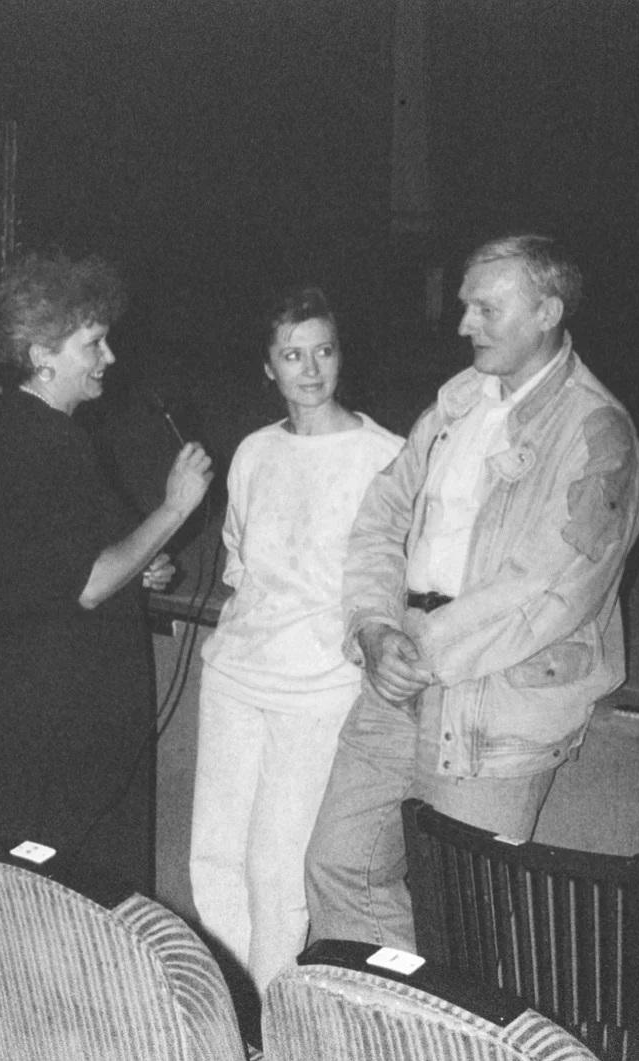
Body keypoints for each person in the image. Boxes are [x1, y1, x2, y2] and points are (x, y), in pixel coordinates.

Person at [304, 234, 639, 949]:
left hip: (492, 708)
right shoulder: (457, 405)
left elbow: (546, 590)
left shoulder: (597, 433)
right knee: (340, 867)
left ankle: (445, 1009)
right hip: (397, 675)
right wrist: (371, 627)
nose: (464, 324)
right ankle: (387, 1011)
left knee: (463, 922)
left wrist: (418, 652)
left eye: (487, 309)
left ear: (547, 311)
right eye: (465, 306)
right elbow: (381, 517)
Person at [0, 252, 213, 894]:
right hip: (63, 709)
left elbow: (74, 560)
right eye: (93, 343)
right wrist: (174, 509)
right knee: (78, 900)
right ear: (41, 356)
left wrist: (138, 563)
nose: (109, 357)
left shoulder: (30, 429)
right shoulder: (46, 443)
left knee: (52, 892)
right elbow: (88, 583)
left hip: (48, 694)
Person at [189, 287, 404, 993]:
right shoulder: (255, 451)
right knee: (215, 857)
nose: (310, 369)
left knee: (276, 869)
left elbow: (395, 580)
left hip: (318, 690)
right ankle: (229, 1008)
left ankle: (269, 1016)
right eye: (292, 354)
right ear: (268, 366)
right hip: (235, 676)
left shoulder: (386, 456)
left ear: (341, 355)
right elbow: (239, 563)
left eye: (323, 351)